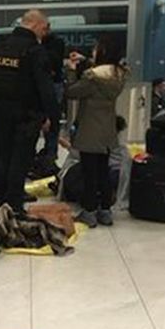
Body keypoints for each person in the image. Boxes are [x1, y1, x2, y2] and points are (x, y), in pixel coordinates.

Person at [0, 9, 56, 213]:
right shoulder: (35, 51)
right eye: (44, 27)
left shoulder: (1, 46)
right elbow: (45, 88)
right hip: (26, 115)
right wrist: (50, 116)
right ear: (35, 24)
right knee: (20, 162)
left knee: (2, 159)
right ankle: (14, 207)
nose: (45, 32)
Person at [64, 36, 128, 227]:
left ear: (103, 51)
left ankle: (89, 211)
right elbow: (102, 71)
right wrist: (85, 60)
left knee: (89, 173)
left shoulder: (92, 77)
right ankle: (105, 211)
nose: (93, 51)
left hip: (89, 128)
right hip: (107, 129)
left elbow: (72, 92)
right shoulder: (119, 74)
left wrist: (71, 70)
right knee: (103, 171)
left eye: (96, 48)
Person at [39, 22, 66, 160]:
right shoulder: (37, 44)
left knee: (53, 118)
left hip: (55, 83)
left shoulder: (56, 42)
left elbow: (54, 61)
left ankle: (51, 150)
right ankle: (47, 149)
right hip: (43, 82)